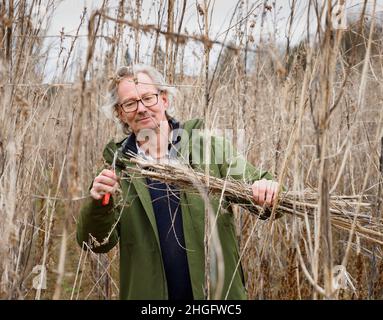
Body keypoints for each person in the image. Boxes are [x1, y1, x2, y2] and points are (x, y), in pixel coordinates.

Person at [76, 64, 280, 300]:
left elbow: (263, 194)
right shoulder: (116, 169)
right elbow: (95, 244)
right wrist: (99, 202)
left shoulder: (211, 151)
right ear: (120, 113)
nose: (141, 109)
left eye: (148, 98)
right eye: (130, 103)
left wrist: (267, 188)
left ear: (164, 99)